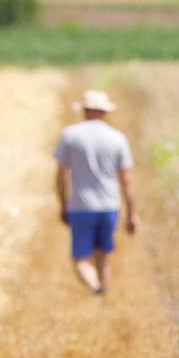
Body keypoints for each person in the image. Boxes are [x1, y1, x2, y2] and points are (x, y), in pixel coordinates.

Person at [54, 89, 139, 295]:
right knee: (102, 257)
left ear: (84, 110)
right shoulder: (117, 138)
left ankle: (96, 288)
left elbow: (60, 174)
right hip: (110, 206)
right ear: (105, 112)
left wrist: (63, 202)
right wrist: (132, 213)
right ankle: (102, 295)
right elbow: (126, 180)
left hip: (81, 206)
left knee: (81, 260)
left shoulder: (70, 135)